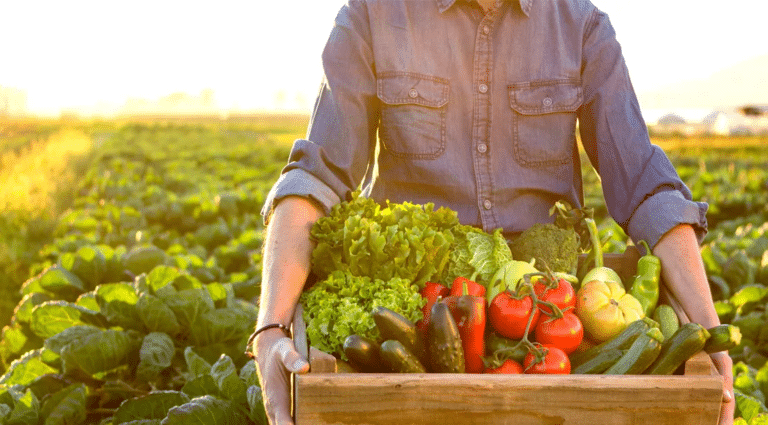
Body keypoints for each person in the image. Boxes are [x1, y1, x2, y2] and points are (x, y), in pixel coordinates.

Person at [251, 1, 735, 424]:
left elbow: (645, 184)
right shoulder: (372, 15)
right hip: (413, 314)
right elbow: (316, 176)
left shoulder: (581, 25)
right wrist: (271, 327)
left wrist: (707, 328)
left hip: (550, 313)